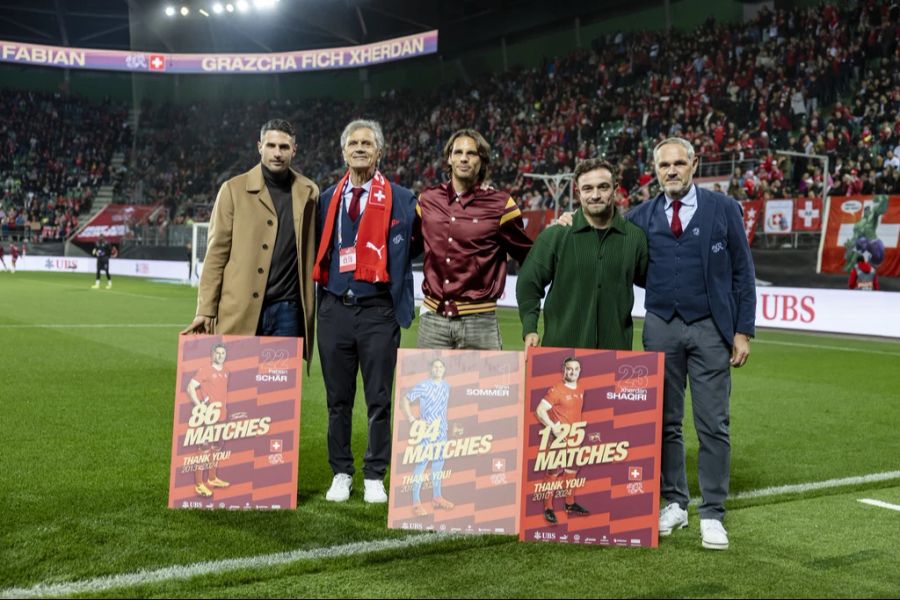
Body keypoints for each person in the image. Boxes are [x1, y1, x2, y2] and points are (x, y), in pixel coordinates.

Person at [627, 137, 755, 551]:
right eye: (665, 165)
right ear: (655, 168)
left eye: (680, 163)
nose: (672, 171)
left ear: (695, 164)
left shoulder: (724, 209)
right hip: (661, 326)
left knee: (713, 424)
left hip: (710, 329)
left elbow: (743, 272)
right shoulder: (641, 216)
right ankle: (675, 502)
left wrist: (742, 330)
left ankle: (713, 512)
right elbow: (609, 240)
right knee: (664, 421)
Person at [313, 119, 418, 504]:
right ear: (344, 152)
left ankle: (375, 473)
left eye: (367, 143)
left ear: (379, 151)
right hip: (334, 310)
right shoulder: (327, 198)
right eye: (353, 143)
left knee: (379, 398)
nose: (359, 148)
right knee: (337, 399)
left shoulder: (404, 199)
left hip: (377, 311)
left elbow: (417, 245)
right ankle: (341, 471)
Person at [181, 119, 319, 362]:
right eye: (271, 145)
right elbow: (216, 255)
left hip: (287, 310)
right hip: (239, 308)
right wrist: (205, 309)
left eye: (284, 147)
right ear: (259, 146)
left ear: (294, 150)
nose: (277, 153)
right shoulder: (233, 189)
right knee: (235, 389)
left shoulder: (309, 192)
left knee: (279, 395)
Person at [416, 129, 532, 349]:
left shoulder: (501, 205)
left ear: (482, 161)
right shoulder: (427, 200)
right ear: (449, 158)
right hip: (433, 322)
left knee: (486, 385)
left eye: (471, 153)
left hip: (480, 323)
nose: (464, 158)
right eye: (458, 152)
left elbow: (530, 257)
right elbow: (407, 248)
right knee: (428, 385)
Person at [517, 159, 647, 350]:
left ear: (615, 189)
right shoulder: (555, 236)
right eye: (587, 188)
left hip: (615, 356)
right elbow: (528, 284)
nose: (595, 195)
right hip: (561, 354)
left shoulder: (635, 238)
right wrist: (530, 328)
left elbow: (654, 284)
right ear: (578, 192)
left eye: (603, 187)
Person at [534, 357, 589, 524]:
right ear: (563, 370)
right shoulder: (556, 390)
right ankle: (548, 508)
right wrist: (552, 426)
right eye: (569, 369)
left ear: (579, 371)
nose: (572, 372)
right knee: (553, 473)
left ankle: (569, 504)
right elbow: (540, 410)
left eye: (575, 369)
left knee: (572, 471)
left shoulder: (581, 388)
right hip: (559, 439)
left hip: (574, 438)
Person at [401, 358, 455, 516]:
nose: (438, 369)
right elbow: (405, 399)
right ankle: (416, 502)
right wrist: (411, 419)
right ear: (431, 370)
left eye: (441, 366)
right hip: (426, 431)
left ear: (444, 370)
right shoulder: (423, 385)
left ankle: (437, 498)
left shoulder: (446, 386)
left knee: (438, 464)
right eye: (435, 367)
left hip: (441, 431)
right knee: (421, 465)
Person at [185, 343, 231, 498]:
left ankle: (212, 478)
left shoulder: (226, 371)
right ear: (212, 355)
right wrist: (199, 406)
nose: (220, 356)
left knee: (217, 446)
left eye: (223, 353)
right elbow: (190, 387)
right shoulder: (205, 370)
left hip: (222, 415)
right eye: (217, 353)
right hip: (208, 417)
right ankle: (199, 484)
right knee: (204, 449)